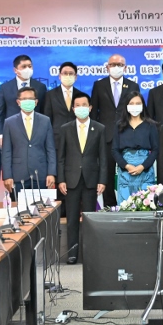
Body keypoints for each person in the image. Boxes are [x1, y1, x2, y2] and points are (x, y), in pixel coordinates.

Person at [57, 94, 107, 264]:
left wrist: (102, 180)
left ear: (90, 107)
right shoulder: (65, 128)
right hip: (71, 180)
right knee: (71, 219)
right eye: (77, 105)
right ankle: (72, 254)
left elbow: (103, 157)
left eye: (84, 104)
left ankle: (89, 254)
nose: (81, 108)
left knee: (89, 219)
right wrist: (61, 179)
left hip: (91, 180)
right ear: (73, 109)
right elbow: (61, 157)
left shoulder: (99, 128)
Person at [90, 54, 140, 207]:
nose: (116, 67)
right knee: (107, 173)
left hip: (127, 135)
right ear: (107, 67)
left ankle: (129, 205)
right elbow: (94, 112)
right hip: (106, 137)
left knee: (129, 172)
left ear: (125, 67)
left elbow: (137, 112)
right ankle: (110, 206)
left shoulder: (133, 86)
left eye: (119, 64)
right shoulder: (99, 85)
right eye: (113, 64)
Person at [1, 87, 56, 195]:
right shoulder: (9, 122)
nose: (27, 101)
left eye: (31, 99)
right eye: (24, 99)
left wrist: (51, 173)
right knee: (19, 206)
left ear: (36, 102)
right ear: (18, 102)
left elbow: (50, 149)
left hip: (40, 174)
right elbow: (6, 151)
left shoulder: (45, 121)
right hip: (17, 175)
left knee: (41, 206)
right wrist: (7, 175)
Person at [112, 92, 159, 204]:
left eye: (138, 103)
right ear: (126, 106)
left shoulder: (150, 125)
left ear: (143, 105)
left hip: (145, 171)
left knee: (145, 205)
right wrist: (126, 166)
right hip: (125, 172)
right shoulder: (119, 125)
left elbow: (156, 149)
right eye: (131, 103)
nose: (135, 106)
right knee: (126, 205)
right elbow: (114, 150)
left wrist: (142, 166)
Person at [0, 54, 47, 137]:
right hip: (12, 131)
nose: (28, 69)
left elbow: (44, 111)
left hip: (35, 131)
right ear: (15, 70)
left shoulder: (40, 87)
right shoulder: (5, 88)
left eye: (30, 66)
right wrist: (0, 134)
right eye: (24, 66)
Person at [43, 61, 88, 151]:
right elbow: (47, 118)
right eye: (65, 73)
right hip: (56, 140)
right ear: (59, 76)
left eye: (71, 74)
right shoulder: (50, 95)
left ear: (75, 77)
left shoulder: (81, 95)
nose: (68, 76)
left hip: (77, 139)